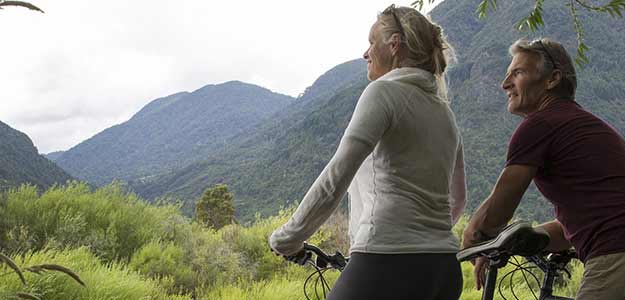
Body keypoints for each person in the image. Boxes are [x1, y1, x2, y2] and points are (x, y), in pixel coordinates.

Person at [268, 5, 465, 300]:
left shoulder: (384, 92)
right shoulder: (444, 112)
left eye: (372, 43)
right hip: (443, 269)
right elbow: (458, 198)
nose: (366, 53)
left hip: (386, 261)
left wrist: (288, 238)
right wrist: (424, 237)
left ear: (394, 45)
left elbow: (337, 175)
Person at [461, 38, 625, 300]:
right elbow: (578, 226)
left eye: (518, 73)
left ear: (552, 79)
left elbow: (499, 209)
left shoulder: (540, 125)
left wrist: (474, 239)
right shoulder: (587, 126)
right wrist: (527, 239)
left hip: (615, 257)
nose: (505, 84)